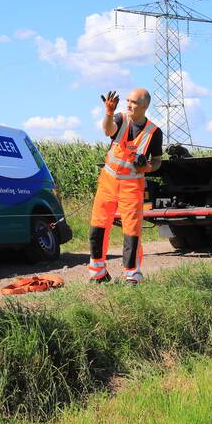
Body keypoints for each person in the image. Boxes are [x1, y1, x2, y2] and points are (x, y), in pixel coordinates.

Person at [88, 87, 163, 284]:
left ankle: (132, 275)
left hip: (132, 185)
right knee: (98, 226)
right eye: (128, 100)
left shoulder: (154, 132)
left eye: (134, 102)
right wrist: (109, 113)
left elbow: (157, 161)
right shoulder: (120, 119)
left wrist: (147, 166)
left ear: (145, 106)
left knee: (131, 230)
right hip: (108, 182)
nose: (129, 104)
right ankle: (97, 273)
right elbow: (108, 130)